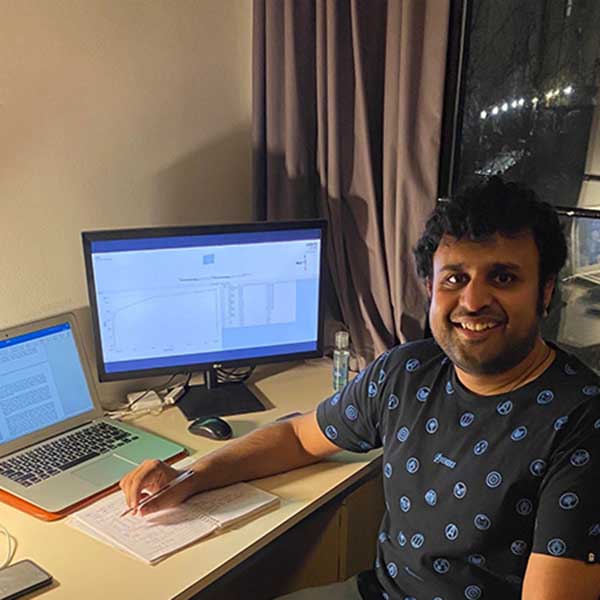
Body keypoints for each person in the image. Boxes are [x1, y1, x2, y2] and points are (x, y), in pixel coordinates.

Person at [120, 178, 600, 600]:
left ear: (545, 291)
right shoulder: (406, 372)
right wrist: (190, 478)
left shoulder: (582, 422)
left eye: (503, 277)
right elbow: (298, 437)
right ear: (430, 290)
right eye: (455, 278)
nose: (473, 301)